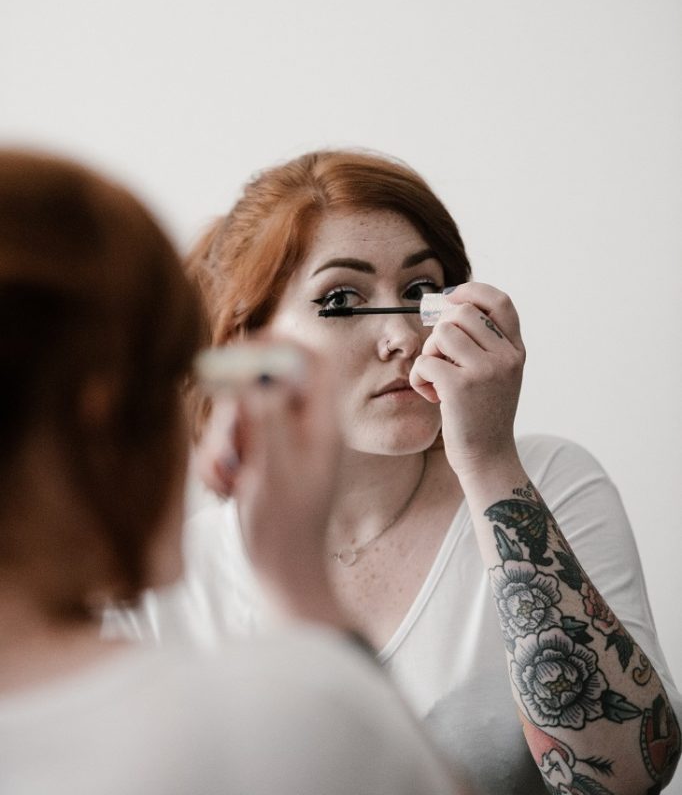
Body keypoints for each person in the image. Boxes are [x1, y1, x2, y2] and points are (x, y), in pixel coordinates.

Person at [121, 147, 682, 795]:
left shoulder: (548, 480)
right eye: (340, 299)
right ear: (248, 342)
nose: (401, 335)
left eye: (420, 291)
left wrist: (487, 459)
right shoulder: (167, 580)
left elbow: (629, 777)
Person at [0, 148, 466, 795]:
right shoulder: (272, 719)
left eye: (420, 293)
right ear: (101, 422)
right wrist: (301, 590)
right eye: (181, 379)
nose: (400, 335)